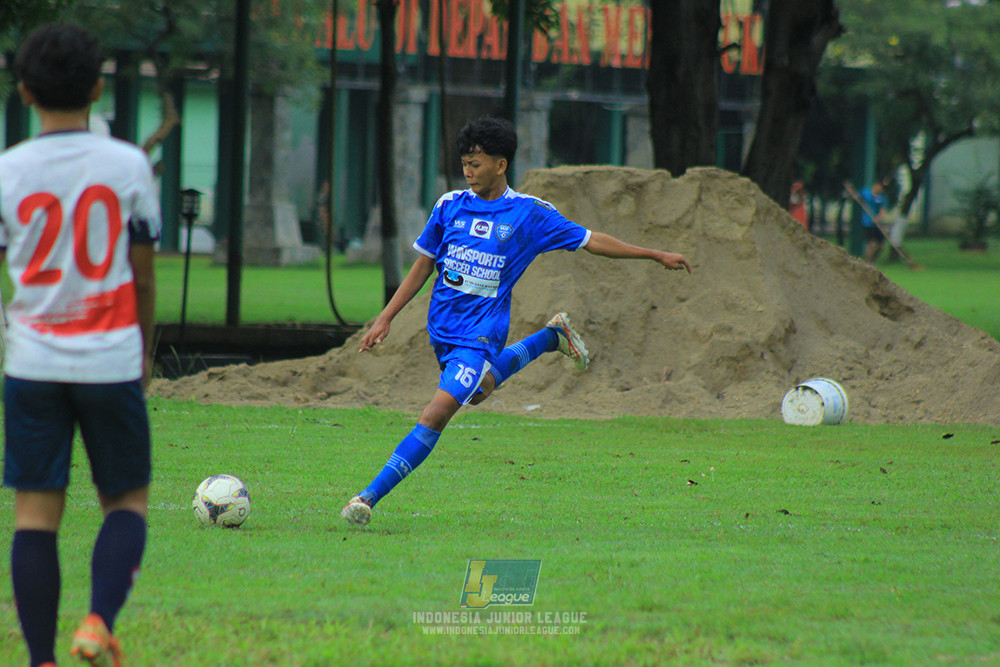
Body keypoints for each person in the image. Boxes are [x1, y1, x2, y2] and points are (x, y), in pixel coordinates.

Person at [340, 117, 691, 526]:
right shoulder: (449, 206)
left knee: (436, 413)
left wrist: (654, 254)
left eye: (476, 163)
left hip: (481, 334)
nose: (468, 172)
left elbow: (592, 240)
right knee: (479, 391)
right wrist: (385, 318)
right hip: (442, 331)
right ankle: (550, 337)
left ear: (500, 164)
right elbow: (423, 266)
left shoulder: (529, 215)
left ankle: (366, 498)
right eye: (465, 164)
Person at [0, 24, 160, 667]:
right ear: (98, 87)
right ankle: (97, 622)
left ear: (24, 90)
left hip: (31, 362)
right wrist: (142, 353)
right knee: (126, 502)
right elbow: (143, 273)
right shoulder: (127, 164)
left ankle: (39, 660)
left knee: (35, 516)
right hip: (110, 359)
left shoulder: (8, 170)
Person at [858, 180, 889, 263]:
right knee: (871, 243)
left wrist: (878, 218)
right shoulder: (866, 193)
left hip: (877, 224)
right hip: (867, 223)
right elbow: (856, 196)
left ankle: (873, 260)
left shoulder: (882, 198)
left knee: (881, 244)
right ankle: (868, 261)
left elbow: (883, 210)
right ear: (876, 185)